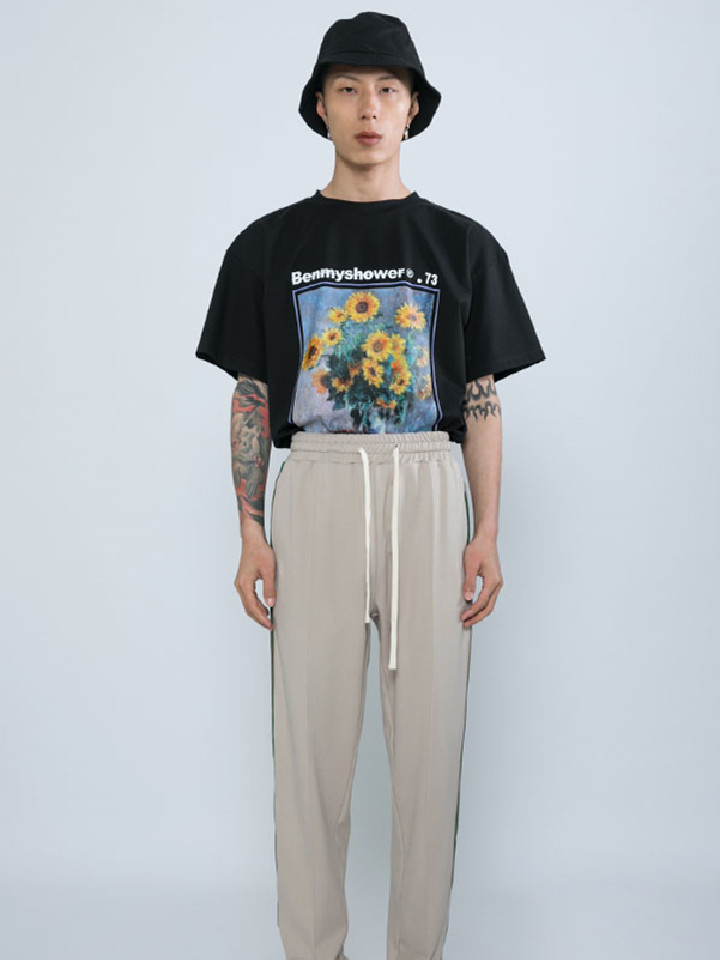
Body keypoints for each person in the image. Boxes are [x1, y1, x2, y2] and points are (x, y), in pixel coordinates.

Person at [195, 12, 546, 960]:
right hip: (314, 482)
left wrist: (486, 532)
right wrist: (251, 531)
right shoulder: (267, 245)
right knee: (309, 750)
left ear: (414, 109)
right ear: (319, 105)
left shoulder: (461, 245)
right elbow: (251, 394)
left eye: (388, 89)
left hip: (428, 484)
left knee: (431, 754)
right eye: (347, 88)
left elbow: (480, 400)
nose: (369, 107)